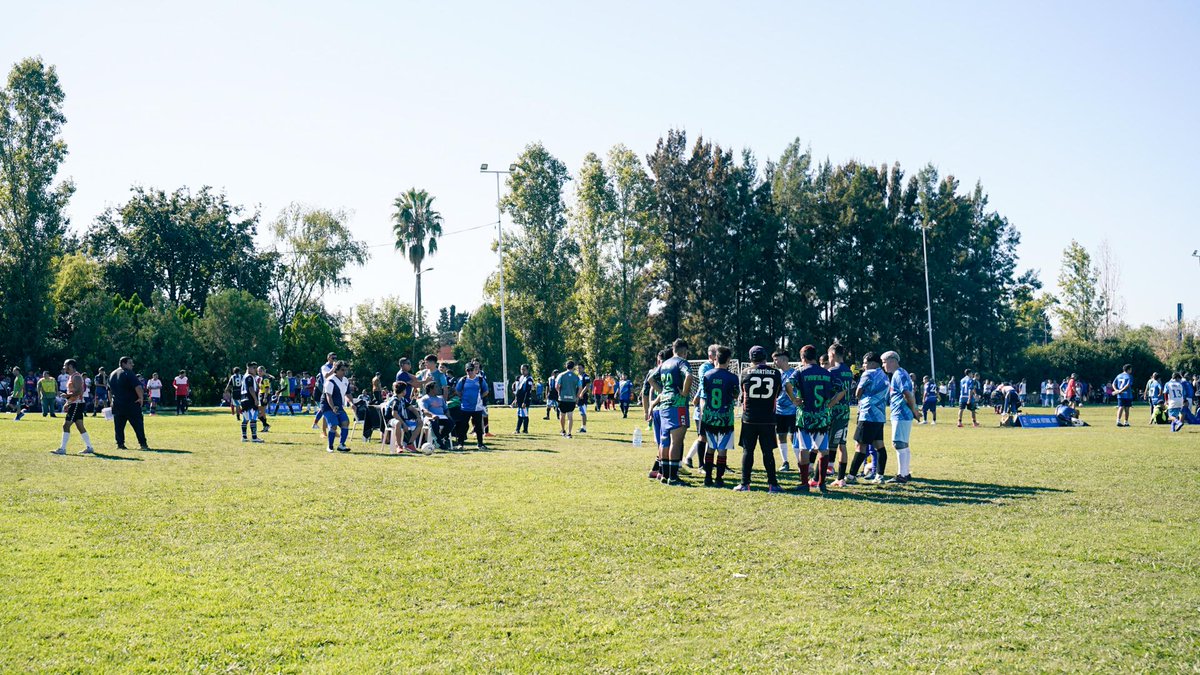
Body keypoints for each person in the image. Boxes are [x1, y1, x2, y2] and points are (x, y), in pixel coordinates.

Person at [735, 345, 782, 493]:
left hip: (749, 418)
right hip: (768, 418)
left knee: (748, 451)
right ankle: (773, 484)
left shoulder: (744, 372)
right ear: (765, 357)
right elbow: (777, 393)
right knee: (768, 452)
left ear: (751, 358)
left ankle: (745, 483)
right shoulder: (775, 373)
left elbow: (742, 395)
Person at [649, 339, 693, 486]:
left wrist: (663, 392)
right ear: (684, 351)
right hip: (677, 405)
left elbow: (651, 379)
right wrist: (685, 392)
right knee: (677, 441)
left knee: (665, 440)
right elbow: (689, 376)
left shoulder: (665, 363)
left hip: (664, 405)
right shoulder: (681, 362)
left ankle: (664, 474)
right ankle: (673, 478)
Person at [792, 345, 835, 493]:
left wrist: (794, 399)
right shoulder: (826, 373)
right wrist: (830, 404)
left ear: (803, 357)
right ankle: (822, 484)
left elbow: (787, 384)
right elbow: (841, 389)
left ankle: (804, 483)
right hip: (822, 417)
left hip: (805, 417)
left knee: (804, 449)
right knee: (823, 450)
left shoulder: (800, 372)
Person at [699, 345, 739, 487]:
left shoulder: (707, 375)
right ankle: (719, 479)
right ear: (728, 360)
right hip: (725, 418)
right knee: (722, 449)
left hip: (709, 416)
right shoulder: (733, 377)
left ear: (716, 358)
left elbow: (705, 394)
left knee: (710, 447)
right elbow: (735, 395)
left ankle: (707, 478)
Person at [849, 352, 890, 485]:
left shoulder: (868, 374)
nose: (864, 366)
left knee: (860, 445)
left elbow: (857, 393)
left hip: (867, 414)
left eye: (865, 363)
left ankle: (851, 476)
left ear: (872, 363)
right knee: (879, 446)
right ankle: (880, 475)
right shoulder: (885, 376)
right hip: (879, 415)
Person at [881, 351, 917, 485]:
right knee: (903, 443)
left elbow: (907, 393)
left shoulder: (899, 374)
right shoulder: (901, 373)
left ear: (892, 360)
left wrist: (914, 410)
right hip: (902, 413)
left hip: (901, 413)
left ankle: (902, 475)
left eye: (884, 362)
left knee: (898, 443)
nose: (883, 365)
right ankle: (905, 473)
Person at [684, 344, 719, 470]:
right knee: (703, 436)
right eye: (717, 354)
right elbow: (704, 384)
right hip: (703, 408)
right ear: (711, 355)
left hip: (715, 407)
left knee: (710, 437)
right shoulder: (705, 367)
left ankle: (693, 459)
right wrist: (698, 397)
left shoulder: (718, 367)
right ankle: (701, 464)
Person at [827, 343, 857, 488]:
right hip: (845, 411)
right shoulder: (848, 372)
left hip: (834, 412)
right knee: (842, 445)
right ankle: (841, 478)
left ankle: (819, 475)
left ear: (832, 354)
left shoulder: (832, 371)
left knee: (827, 445)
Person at [51, 359, 94, 456]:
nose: (63, 367)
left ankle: (62, 449)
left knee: (66, 425)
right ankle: (89, 447)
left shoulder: (77, 377)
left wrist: (67, 396)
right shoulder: (72, 376)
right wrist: (68, 401)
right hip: (74, 403)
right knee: (80, 426)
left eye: (65, 365)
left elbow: (79, 391)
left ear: (70, 366)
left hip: (77, 404)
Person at [109, 356, 149, 450]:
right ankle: (143, 444)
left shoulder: (112, 374)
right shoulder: (128, 373)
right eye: (130, 363)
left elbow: (109, 390)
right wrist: (141, 398)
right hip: (131, 404)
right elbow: (138, 387)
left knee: (119, 427)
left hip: (118, 405)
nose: (132, 365)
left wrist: (111, 402)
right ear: (123, 364)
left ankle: (120, 444)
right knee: (138, 425)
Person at [772, 349, 799, 472]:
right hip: (779, 411)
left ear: (784, 359)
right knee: (781, 436)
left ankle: (800, 463)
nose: (774, 362)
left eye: (776, 359)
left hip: (793, 411)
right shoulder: (776, 374)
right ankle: (785, 462)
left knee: (793, 437)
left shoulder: (795, 373)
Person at [455, 362, 489, 450]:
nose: (469, 372)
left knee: (478, 427)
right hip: (465, 407)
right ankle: (460, 443)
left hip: (477, 407)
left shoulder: (480, 380)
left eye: (471, 370)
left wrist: (480, 397)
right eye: (467, 370)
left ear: (475, 370)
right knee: (463, 426)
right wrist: (462, 397)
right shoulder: (463, 380)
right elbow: (457, 390)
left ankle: (480, 443)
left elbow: (486, 391)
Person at [319, 360, 351, 452]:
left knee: (345, 422)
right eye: (342, 370)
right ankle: (330, 446)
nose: (344, 372)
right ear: (336, 370)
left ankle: (342, 445)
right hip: (327, 406)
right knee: (333, 425)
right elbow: (328, 396)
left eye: (345, 370)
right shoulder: (330, 380)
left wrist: (352, 404)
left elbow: (348, 394)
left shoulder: (345, 380)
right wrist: (333, 407)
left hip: (338, 406)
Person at [419, 382, 452, 449]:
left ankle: (439, 439)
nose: (438, 389)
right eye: (436, 387)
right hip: (430, 418)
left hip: (442, 417)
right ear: (431, 389)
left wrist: (448, 415)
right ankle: (439, 443)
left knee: (451, 423)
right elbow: (424, 410)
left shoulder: (440, 398)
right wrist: (432, 415)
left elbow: (446, 409)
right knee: (433, 423)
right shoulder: (424, 399)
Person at [238, 362, 264, 443]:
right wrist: (255, 399)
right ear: (248, 368)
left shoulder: (244, 376)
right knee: (253, 418)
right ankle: (254, 437)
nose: (255, 369)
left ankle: (244, 437)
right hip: (250, 399)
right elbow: (250, 388)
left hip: (243, 399)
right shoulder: (249, 377)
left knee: (245, 419)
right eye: (254, 367)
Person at [311, 352, 337, 430]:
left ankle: (321, 426)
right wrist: (334, 368)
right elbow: (327, 375)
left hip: (334, 389)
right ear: (328, 358)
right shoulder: (324, 367)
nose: (334, 360)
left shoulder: (334, 366)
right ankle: (324, 427)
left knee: (325, 409)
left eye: (335, 358)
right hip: (327, 390)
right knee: (324, 409)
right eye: (333, 358)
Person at [556, 362, 582, 438]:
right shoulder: (576, 376)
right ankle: (569, 433)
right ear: (573, 367)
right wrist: (577, 397)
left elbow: (557, 386)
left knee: (562, 415)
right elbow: (580, 387)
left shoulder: (561, 375)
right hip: (572, 399)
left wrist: (559, 393)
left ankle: (563, 430)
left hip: (562, 398)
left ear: (566, 366)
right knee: (570, 416)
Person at [512, 364, 534, 434]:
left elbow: (528, 391)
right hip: (519, 399)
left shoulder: (529, 379)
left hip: (524, 400)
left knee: (525, 415)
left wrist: (525, 401)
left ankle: (525, 430)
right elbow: (518, 390)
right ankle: (517, 429)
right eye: (521, 369)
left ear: (527, 370)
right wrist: (515, 399)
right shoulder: (521, 378)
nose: (522, 371)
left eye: (524, 369)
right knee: (519, 414)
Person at [576, 363, 591, 433]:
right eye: (577, 368)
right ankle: (582, 426)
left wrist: (582, 393)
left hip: (583, 396)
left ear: (583, 368)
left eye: (580, 368)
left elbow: (587, 386)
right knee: (581, 411)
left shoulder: (586, 376)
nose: (578, 369)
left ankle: (584, 428)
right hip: (578, 396)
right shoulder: (578, 376)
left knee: (583, 411)